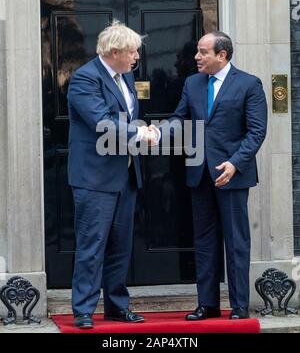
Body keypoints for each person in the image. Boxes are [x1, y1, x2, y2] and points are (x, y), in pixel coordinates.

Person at [150, 31, 267, 320]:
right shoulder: (192, 83)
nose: (197, 57)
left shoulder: (249, 84)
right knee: (204, 241)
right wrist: (161, 131)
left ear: (221, 55)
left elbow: (256, 131)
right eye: (198, 52)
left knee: (236, 242)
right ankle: (208, 304)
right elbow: (180, 117)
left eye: (203, 52)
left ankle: (239, 306)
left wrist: (236, 163)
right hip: (199, 173)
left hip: (232, 175)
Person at [68, 20, 151, 328]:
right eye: (132, 52)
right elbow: (103, 124)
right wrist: (142, 135)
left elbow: (124, 120)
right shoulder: (85, 79)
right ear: (114, 51)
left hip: (125, 176)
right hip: (94, 179)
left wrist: (139, 132)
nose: (136, 58)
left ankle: (116, 306)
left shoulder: (124, 78)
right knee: (92, 246)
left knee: (120, 246)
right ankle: (84, 310)